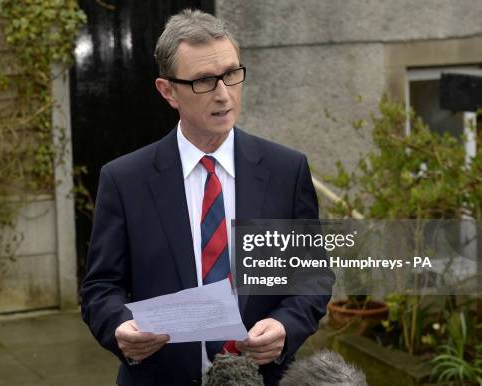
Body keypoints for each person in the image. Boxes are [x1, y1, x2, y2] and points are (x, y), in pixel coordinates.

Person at [80, 9, 334, 386]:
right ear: (168, 91)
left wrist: (285, 325)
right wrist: (120, 328)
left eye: (231, 74)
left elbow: (311, 277)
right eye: (203, 81)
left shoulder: (286, 170)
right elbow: (100, 288)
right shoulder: (124, 180)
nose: (223, 94)